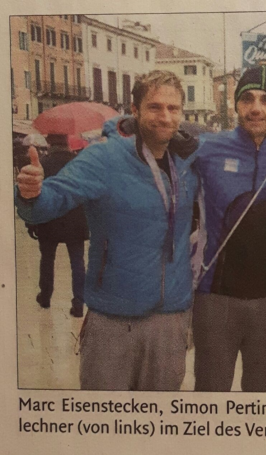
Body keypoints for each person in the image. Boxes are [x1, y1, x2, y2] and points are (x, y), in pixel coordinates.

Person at [15, 70, 198, 391]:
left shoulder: (187, 162)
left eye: (173, 109)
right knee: (102, 427)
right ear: (135, 109)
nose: (165, 116)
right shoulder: (104, 157)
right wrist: (31, 192)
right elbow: (50, 201)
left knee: (160, 431)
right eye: (155, 107)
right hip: (112, 322)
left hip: (170, 321)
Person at [191, 66, 266, 392]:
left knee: (261, 403)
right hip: (215, 299)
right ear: (236, 105)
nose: (256, 108)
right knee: (210, 400)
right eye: (247, 98)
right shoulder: (206, 149)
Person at [27, 134, 89, 317]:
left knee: (47, 259)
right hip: (75, 219)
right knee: (77, 262)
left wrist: (31, 221)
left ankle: (45, 296)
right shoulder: (80, 163)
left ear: (49, 142)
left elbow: (33, 196)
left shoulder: (42, 164)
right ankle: (78, 303)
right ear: (68, 142)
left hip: (49, 218)